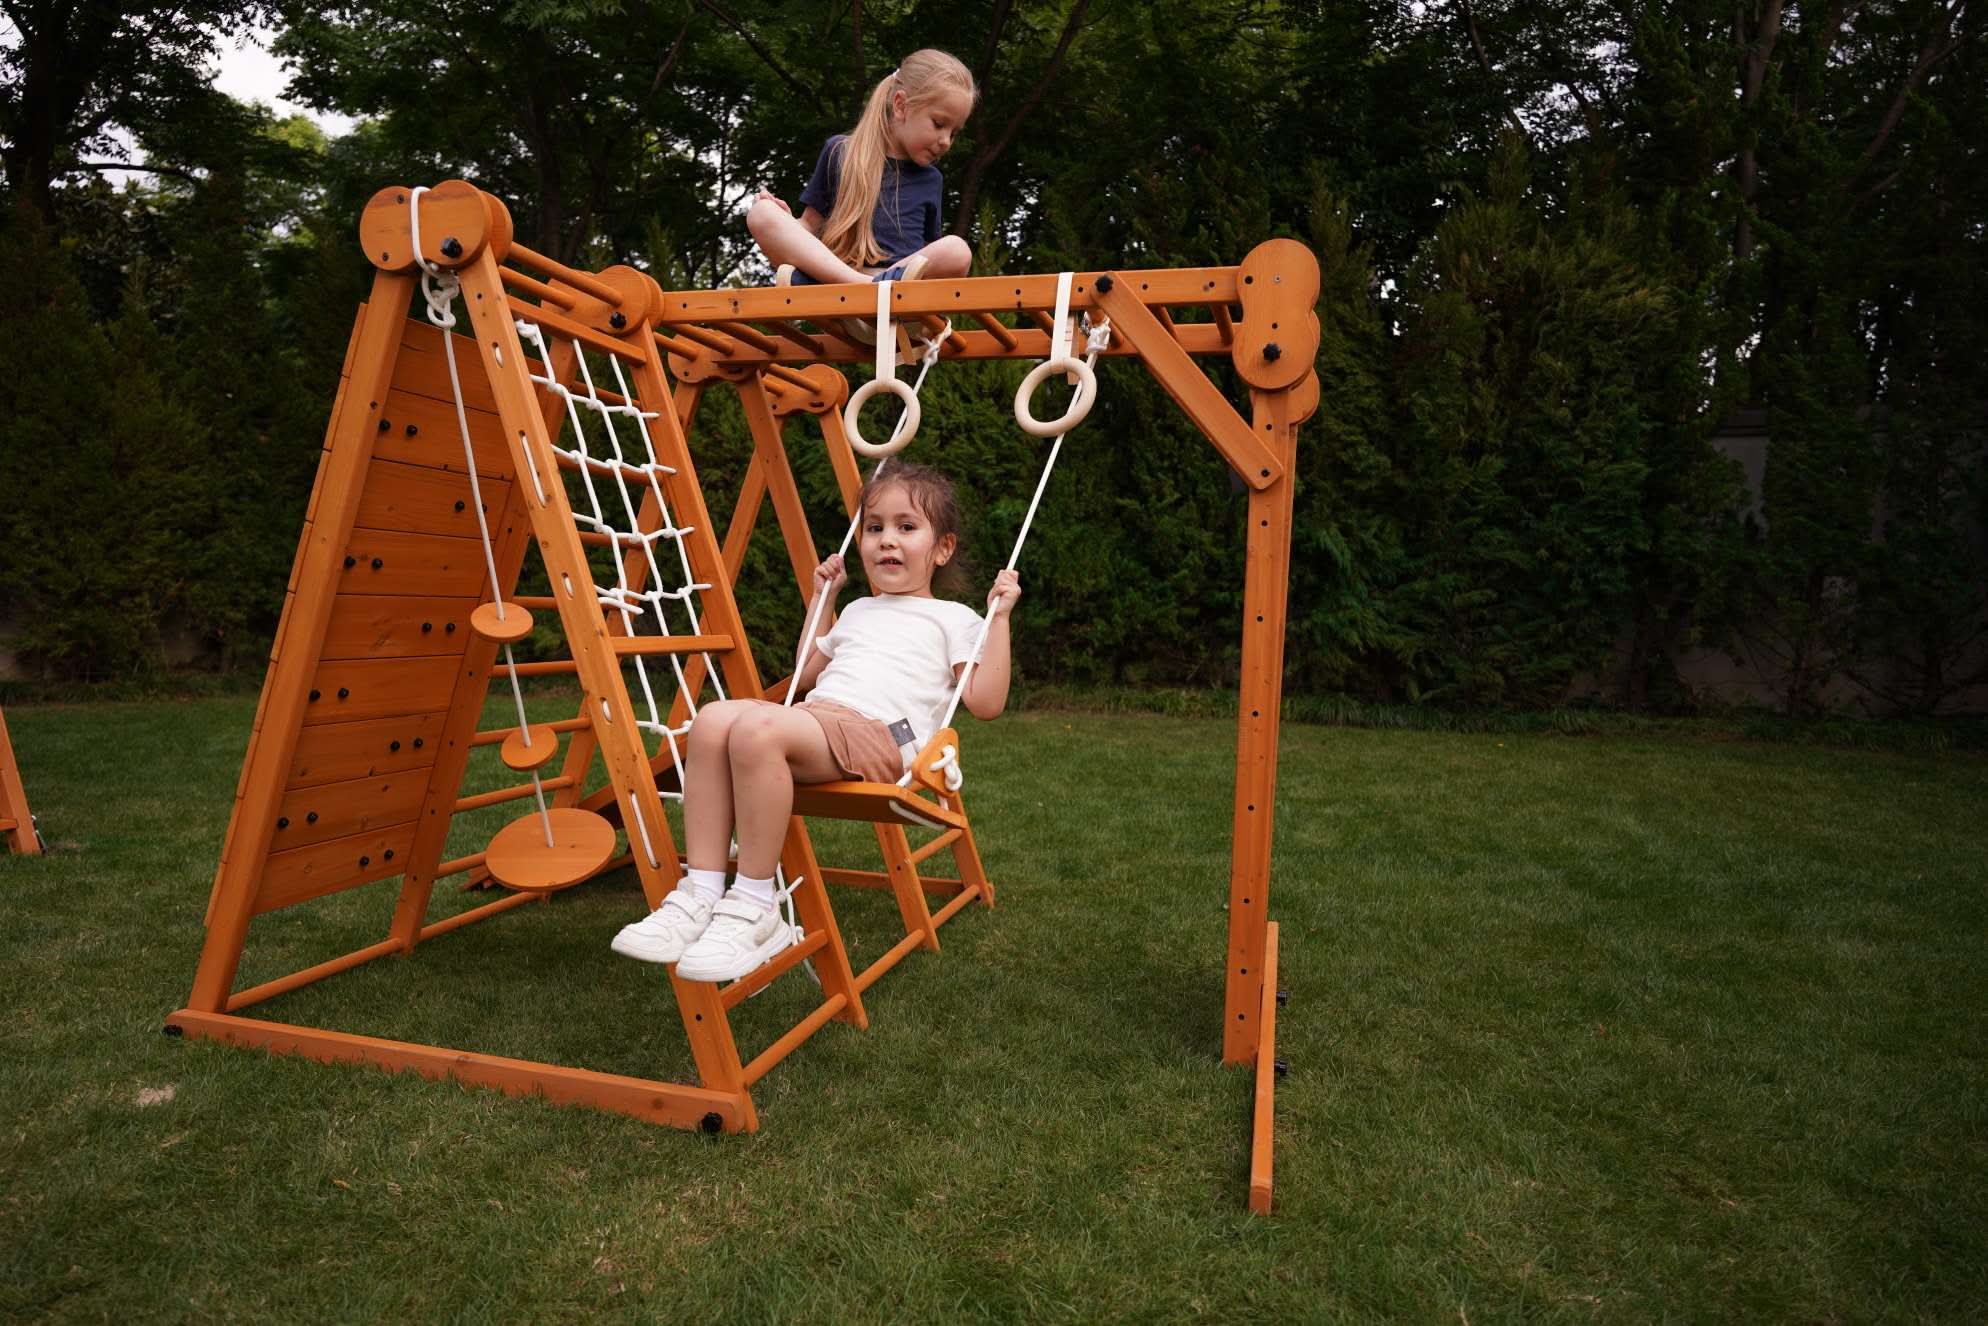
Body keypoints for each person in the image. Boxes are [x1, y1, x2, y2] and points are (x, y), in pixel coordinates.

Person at [612, 463, 1020, 982]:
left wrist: (1000, 618)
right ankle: (701, 892)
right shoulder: (855, 612)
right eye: (874, 528)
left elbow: (985, 702)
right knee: (713, 720)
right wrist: (823, 600)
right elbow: (804, 674)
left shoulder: (955, 618)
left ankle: (757, 907)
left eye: (906, 527)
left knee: (759, 730)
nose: (886, 540)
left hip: (882, 737)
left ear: (941, 549)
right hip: (817, 720)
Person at [746, 49, 978, 289]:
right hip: (850, 279)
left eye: (954, 133)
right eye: (939, 124)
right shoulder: (840, 152)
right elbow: (808, 226)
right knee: (761, 213)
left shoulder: (931, 179)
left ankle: (855, 288)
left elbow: (928, 258)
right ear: (900, 106)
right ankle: (864, 287)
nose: (946, 141)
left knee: (958, 250)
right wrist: (784, 219)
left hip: (898, 292)